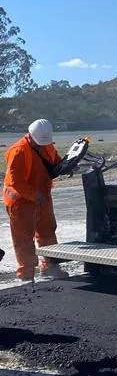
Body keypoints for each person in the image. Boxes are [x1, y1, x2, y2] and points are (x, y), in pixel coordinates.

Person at [2, 119, 65, 282]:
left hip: (42, 198)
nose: (41, 146)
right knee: (24, 239)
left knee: (47, 233)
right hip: (21, 202)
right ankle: (26, 275)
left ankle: (50, 266)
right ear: (30, 135)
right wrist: (34, 196)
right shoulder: (18, 151)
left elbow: (54, 160)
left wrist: (65, 166)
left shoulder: (46, 144)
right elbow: (16, 182)